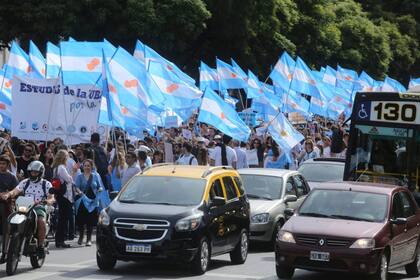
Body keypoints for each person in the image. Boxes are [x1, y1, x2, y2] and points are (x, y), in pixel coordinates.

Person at [1, 161, 55, 258]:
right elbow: (15, 191)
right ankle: (5, 251)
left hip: (39, 207)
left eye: (35, 172)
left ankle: (40, 246)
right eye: (31, 172)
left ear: (41, 172)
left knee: (41, 222)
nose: (33, 174)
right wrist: (8, 194)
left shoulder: (46, 184)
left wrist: (48, 201)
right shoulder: (25, 182)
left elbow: (51, 197)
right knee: (10, 220)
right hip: (24, 206)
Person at [74, 159, 103, 246]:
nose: (86, 167)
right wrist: (79, 192)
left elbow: (99, 186)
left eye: (88, 166)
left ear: (91, 167)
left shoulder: (95, 176)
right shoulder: (79, 176)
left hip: (92, 201)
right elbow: (76, 187)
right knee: (81, 220)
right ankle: (81, 236)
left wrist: (100, 189)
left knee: (90, 220)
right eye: (85, 165)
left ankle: (89, 239)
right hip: (83, 200)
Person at [52, 150, 77, 248]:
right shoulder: (61, 167)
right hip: (65, 195)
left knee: (62, 218)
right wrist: (73, 172)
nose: (68, 159)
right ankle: (60, 240)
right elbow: (69, 179)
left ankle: (59, 240)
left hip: (60, 195)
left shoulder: (55, 167)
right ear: (63, 158)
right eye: (67, 157)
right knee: (63, 219)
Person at [0, 155, 19, 263]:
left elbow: (16, 191)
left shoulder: (12, 177)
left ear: (7, 165)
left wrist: (7, 195)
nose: (1, 166)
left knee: (6, 228)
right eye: (0, 163)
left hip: (6, 205)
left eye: (3, 164)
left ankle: (5, 253)